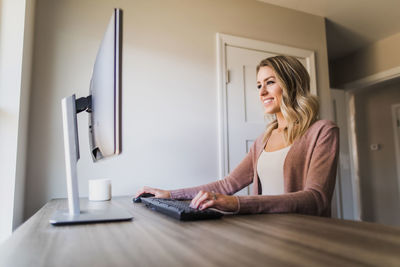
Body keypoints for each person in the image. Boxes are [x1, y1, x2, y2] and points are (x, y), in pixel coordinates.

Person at [135, 55, 339, 217]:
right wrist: (170, 194)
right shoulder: (263, 140)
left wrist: (237, 203)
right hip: (265, 231)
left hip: (304, 234)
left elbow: (316, 198)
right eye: (259, 85)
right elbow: (227, 185)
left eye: (269, 82)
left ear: (291, 83)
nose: (262, 93)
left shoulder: (322, 131)